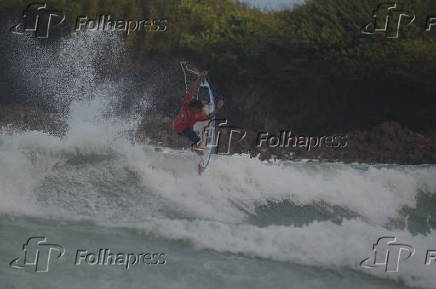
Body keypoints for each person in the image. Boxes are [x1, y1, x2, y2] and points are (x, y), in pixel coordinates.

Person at [173, 71, 223, 155]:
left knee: (197, 136)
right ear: (194, 108)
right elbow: (192, 89)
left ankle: (196, 147)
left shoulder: (192, 108)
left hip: (181, 127)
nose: (200, 112)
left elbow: (209, 117)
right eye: (199, 110)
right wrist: (199, 78)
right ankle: (194, 148)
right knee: (197, 139)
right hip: (180, 128)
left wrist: (218, 108)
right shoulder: (187, 105)